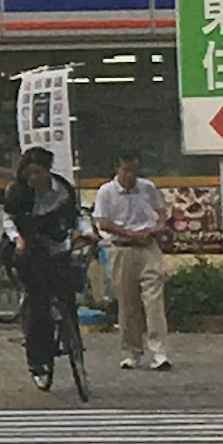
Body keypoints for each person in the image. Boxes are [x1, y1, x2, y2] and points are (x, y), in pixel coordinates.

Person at [0, 144, 86, 395]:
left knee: (66, 293)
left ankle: (73, 341)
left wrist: (85, 232)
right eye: (29, 173)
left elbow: (75, 216)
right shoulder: (19, 193)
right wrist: (18, 239)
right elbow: (9, 219)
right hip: (29, 250)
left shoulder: (63, 191)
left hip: (56, 245)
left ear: (48, 170)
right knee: (38, 303)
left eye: (37, 172)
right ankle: (39, 359)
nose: (33, 178)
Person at [88, 153, 175, 374]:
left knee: (154, 299)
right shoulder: (106, 191)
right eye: (126, 170)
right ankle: (132, 351)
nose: (130, 176)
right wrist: (128, 233)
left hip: (148, 247)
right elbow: (103, 222)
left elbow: (162, 212)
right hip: (122, 249)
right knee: (127, 302)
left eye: (134, 170)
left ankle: (159, 351)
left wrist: (157, 228)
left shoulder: (147, 188)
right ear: (117, 169)